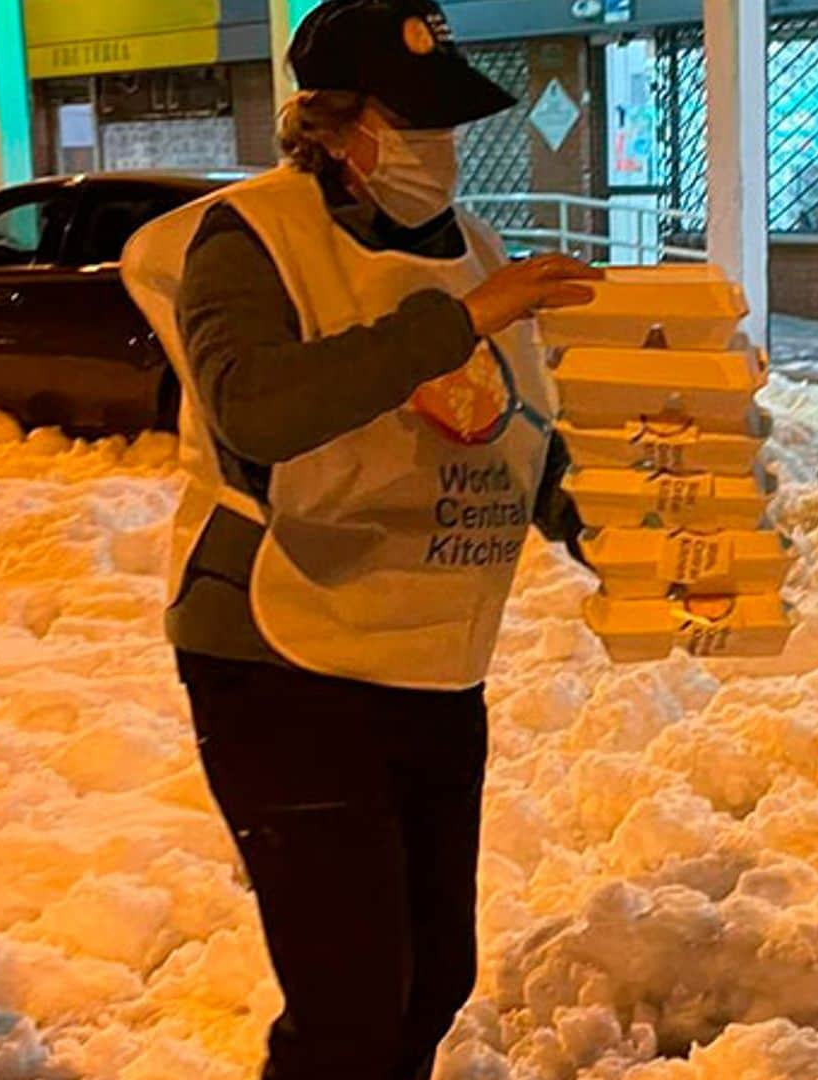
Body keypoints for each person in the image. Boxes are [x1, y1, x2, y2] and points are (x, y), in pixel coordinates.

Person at [119, 2, 599, 1076]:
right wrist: (465, 319)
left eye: (448, 125)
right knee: (350, 1001)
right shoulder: (250, 239)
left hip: (428, 650)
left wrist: (601, 517)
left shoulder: (471, 249)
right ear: (333, 127)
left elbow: (513, 427)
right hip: (280, 650)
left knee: (432, 977)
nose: (439, 149)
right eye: (411, 122)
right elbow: (258, 407)